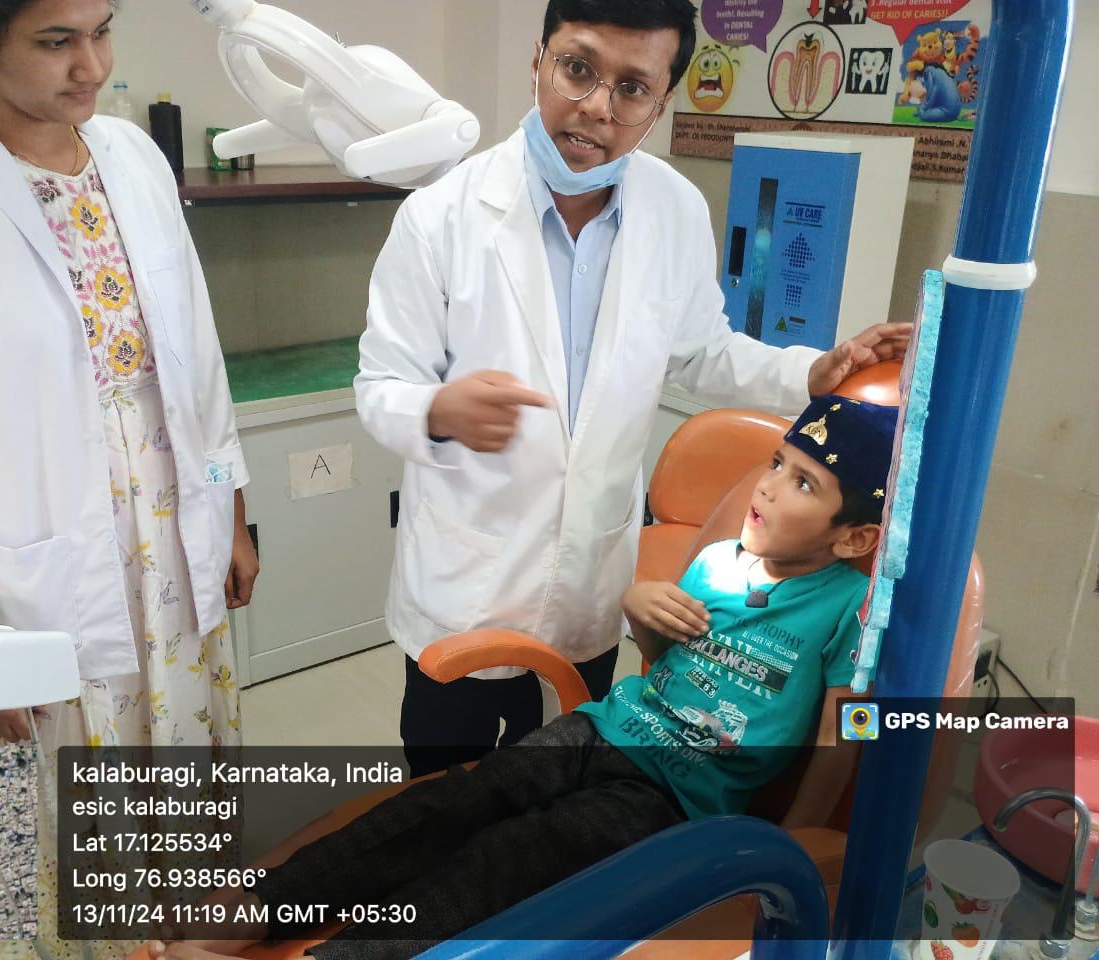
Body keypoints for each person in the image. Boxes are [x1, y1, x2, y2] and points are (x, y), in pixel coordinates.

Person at [353, 0, 911, 776]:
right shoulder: (439, 218)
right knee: (445, 797)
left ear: (661, 101)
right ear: (539, 59)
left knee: (558, 786)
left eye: (631, 88)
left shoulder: (673, 209)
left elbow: (701, 351)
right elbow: (380, 386)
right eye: (577, 68)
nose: (596, 107)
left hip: (589, 583)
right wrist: (437, 410)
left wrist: (807, 375)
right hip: (463, 584)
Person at [146, 394, 896, 960]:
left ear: (855, 536)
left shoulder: (848, 609)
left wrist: (792, 841)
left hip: (673, 796)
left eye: (805, 484)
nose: (768, 488)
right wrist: (638, 609)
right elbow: (662, 666)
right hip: (602, 729)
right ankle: (259, 908)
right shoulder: (715, 562)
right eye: (776, 464)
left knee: (511, 858)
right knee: (458, 801)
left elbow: (846, 725)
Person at [0, 3, 259, 955]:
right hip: (17, 573)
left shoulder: (132, 158)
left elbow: (196, 355)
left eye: (101, 30)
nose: (93, 67)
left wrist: (231, 503)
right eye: (57, 41)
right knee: (28, 848)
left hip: (170, 540)